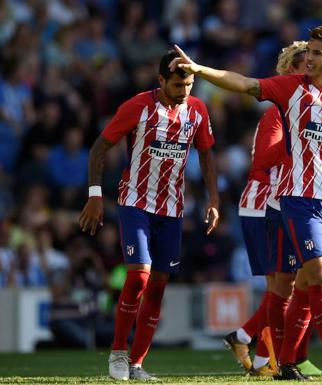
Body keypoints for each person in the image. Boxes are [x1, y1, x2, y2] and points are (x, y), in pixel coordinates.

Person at [170, 25, 322, 381]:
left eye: (316, 53)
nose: (308, 58)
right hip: (296, 200)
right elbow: (243, 82)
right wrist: (200, 70)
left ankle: (284, 361)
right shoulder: (290, 90)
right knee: (311, 279)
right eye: (307, 52)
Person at [79, 50, 219, 381]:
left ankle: (137, 364)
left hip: (172, 209)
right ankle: (117, 353)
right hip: (136, 202)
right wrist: (95, 196)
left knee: (157, 287)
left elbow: (207, 155)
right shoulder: (138, 107)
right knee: (139, 276)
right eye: (177, 84)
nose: (184, 91)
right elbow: (99, 148)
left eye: (189, 84)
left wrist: (213, 199)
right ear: (160, 81)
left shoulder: (197, 110)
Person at [225, 40, 322, 378]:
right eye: (303, 64)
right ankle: (264, 352)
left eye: (313, 61)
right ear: (289, 72)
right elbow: (263, 159)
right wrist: (299, 140)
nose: (309, 69)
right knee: (285, 286)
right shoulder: (277, 112)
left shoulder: (313, 107)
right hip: (263, 202)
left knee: (292, 285)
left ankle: (256, 346)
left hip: (286, 203)